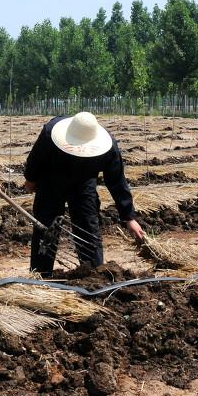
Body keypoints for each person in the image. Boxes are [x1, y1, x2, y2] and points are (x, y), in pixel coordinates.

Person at [24, 111, 145, 277]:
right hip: (51, 179)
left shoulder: (107, 146)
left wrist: (129, 217)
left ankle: (94, 275)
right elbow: (35, 160)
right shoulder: (50, 133)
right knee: (46, 227)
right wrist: (31, 179)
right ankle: (40, 275)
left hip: (84, 182)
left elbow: (116, 180)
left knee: (88, 226)